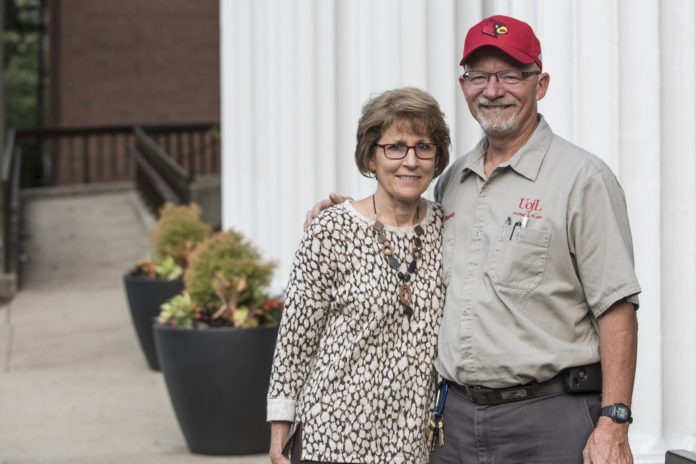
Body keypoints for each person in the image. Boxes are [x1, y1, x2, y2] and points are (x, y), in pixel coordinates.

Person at [306, 15, 640, 464]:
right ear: (463, 86)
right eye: (478, 76)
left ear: (539, 85)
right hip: (454, 425)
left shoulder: (583, 180)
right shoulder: (451, 182)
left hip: (548, 421)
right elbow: (411, 237)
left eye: (509, 76)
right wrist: (356, 217)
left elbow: (616, 306)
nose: (492, 89)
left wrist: (614, 421)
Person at [267, 87, 451, 464]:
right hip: (332, 437)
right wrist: (279, 432)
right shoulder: (331, 230)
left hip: (411, 444)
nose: (411, 161)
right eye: (395, 147)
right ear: (371, 155)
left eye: (423, 147)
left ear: (437, 157)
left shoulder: (448, 229)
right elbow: (295, 339)